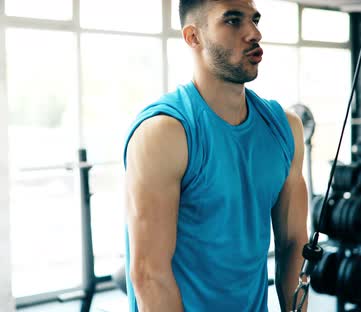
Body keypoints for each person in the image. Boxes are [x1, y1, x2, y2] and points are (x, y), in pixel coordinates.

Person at [123, 1, 308, 311]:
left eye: (254, 19)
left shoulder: (285, 128)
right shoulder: (165, 132)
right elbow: (149, 275)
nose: (254, 33)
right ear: (193, 37)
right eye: (233, 21)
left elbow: (293, 244)